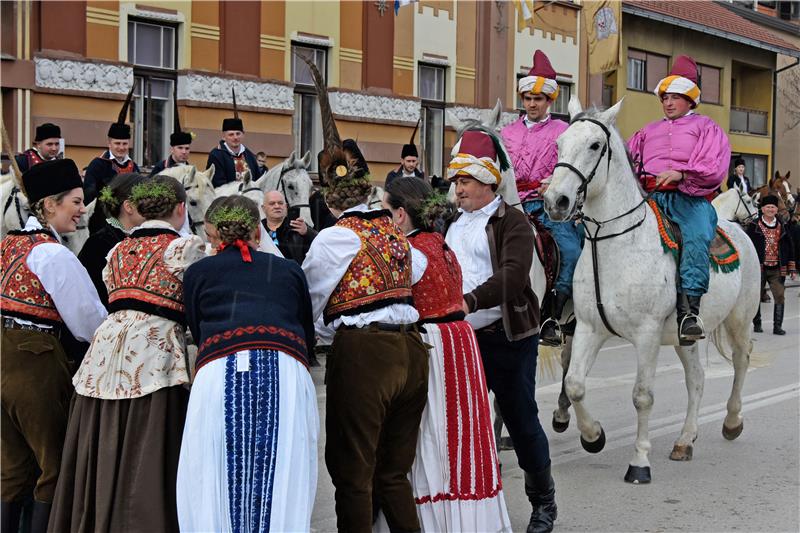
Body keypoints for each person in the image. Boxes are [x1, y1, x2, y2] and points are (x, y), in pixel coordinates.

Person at [299, 55, 428, 532]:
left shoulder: (335, 237)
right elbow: (419, 266)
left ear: (329, 197)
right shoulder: (396, 231)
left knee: (353, 472)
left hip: (365, 352)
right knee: (393, 473)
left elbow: (311, 300)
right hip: (411, 351)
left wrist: (318, 336)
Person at [49, 175, 206, 532]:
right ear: (181, 209)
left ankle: (96, 518)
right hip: (155, 356)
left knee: (103, 442)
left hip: (103, 355)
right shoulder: (186, 247)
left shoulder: (116, 250)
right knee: (146, 448)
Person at [176, 195, 318, 532]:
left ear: (213, 236)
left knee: (213, 466)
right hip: (285, 365)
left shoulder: (198, 272)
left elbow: (197, 328)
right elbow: (307, 332)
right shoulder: (288, 270)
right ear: (257, 230)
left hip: (218, 367)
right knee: (284, 465)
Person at [383, 177, 511, 532]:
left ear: (400, 215)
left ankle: (436, 521)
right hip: (458, 340)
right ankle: (466, 517)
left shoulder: (408, 252)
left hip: (434, 343)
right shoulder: (440, 244)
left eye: (385, 210)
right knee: (458, 433)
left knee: (431, 432)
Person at [445, 129, 556, 533]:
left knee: (522, 422)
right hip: (462, 340)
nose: (458, 189)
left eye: (466, 181)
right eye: (456, 181)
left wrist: (470, 301)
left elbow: (512, 276)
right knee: (463, 428)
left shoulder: (514, 222)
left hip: (507, 339)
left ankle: (543, 502)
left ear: (489, 180)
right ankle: (471, 509)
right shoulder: (450, 223)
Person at [1, 159, 107, 533]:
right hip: (35, 358)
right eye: (75, 202)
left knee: (12, 466)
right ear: (49, 204)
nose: (82, 210)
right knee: (54, 461)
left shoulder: (11, 243)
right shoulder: (53, 254)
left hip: (3, 352)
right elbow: (89, 322)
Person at [627, 54, 731, 346]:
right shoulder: (646, 131)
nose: (668, 103)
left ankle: (689, 313)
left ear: (689, 99)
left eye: (675, 97)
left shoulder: (707, 127)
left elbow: (714, 167)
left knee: (696, 237)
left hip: (689, 199)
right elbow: (626, 162)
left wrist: (682, 174)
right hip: (651, 198)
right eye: (665, 98)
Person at [502, 49, 577, 346]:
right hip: (509, 204)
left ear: (550, 101)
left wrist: (552, 184)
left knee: (570, 250)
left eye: (538, 99)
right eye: (527, 98)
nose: (532, 104)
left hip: (545, 205)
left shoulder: (564, 131)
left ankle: (552, 314)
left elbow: (571, 169)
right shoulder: (506, 132)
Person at [77, 173, 146, 308]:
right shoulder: (98, 244)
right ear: (129, 206)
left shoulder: (142, 238)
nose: (154, 208)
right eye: (147, 201)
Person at [747, 194, 796, 335]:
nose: (770, 209)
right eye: (768, 207)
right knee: (756, 296)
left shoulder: (783, 226)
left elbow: (790, 246)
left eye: (773, 207)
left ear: (776, 209)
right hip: (759, 267)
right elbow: (748, 246)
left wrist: (791, 268)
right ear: (762, 209)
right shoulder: (753, 226)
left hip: (777, 267)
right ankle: (757, 323)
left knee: (780, 295)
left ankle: (777, 327)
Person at [206, 89, 260, 187]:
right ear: (224, 136)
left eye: (238, 134)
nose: (235, 137)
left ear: (243, 134)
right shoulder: (216, 155)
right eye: (231, 134)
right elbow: (217, 184)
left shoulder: (250, 155)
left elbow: (257, 180)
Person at [261, 190, 318, 265]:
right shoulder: (257, 229)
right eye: (272, 204)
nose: (277, 206)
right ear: (263, 208)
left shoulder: (298, 226)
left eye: (280, 203)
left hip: (292, 274)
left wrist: (308, 232)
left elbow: (320, 245)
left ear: (286, 206)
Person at [149, 98, 193, 176]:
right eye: (180, 148)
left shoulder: (191, 171)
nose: (184, 152)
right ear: (172, 149)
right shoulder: (161, 168)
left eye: (187, 148)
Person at [385, 119, 425, 188]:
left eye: (413, 161)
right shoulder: (393, 176)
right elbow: (388, 195)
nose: (411, 164)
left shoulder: (422, 177)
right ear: (402, 161)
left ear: (417, 161)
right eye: (408, 161)